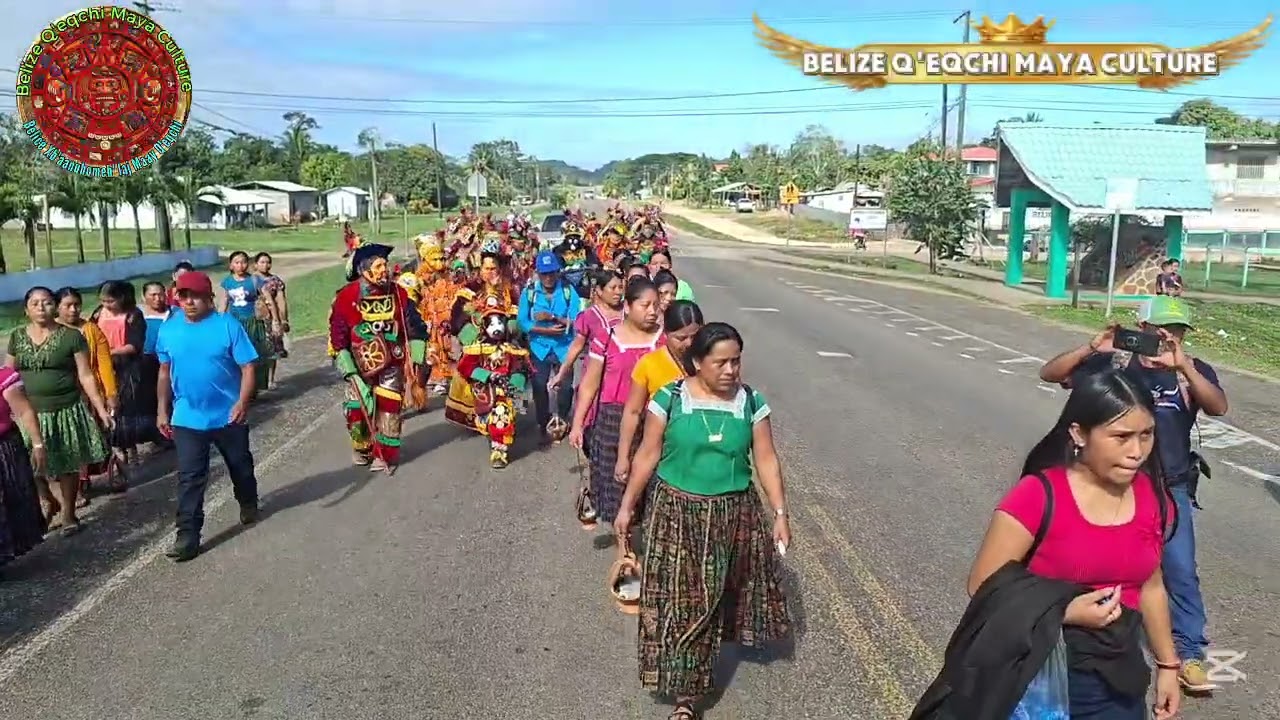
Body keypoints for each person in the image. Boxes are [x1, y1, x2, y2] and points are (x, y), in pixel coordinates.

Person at [954, 369, 1180, 719]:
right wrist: (1064, 613)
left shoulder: (1151, 497)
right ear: (1079, 434)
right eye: (1121, 437)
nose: (1137, 451)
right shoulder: (1038, 496)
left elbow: (1150, 585)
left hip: (1119, 681)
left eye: (1146, 434)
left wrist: (1168, 665)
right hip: (1040, 681)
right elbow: (983, 586)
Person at [1036, 295, 1226, 692]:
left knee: (1179, 573)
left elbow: (1218, 407)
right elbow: (1050, 374)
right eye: (1160, 330)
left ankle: (1189, 654)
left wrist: (1184, 366)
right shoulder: (1115, 365)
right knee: (1098, 562)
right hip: (1115, 484)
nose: (1168, 337)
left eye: (1176, 331)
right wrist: (1094, 346)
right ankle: (1085, 634)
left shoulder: (1189, 373)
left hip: (1169, 489)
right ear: (1140, 330)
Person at [614, 322, 790, 719]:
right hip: (674, 513)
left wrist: (780, 513)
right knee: (677, 601)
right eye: (721, 363)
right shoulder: (669, 398)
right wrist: (627, 507)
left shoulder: (751, 402)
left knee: (705, 602)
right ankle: (678, 678)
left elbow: (766, 459)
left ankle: (687, 697)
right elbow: (647, 454)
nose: (731, 371)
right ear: (697, 363)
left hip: (730, 515)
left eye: (736, 361)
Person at [156, 271, 261, 562]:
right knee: (190, 478)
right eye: (184, 296)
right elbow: (164, 372)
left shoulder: (227, 325)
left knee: (240, 465)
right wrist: (161, 410)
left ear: (209, 299)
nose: (190, 302)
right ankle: (187, 537)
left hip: (228, 415)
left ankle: (248, 500)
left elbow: (248, 367)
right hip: (188, 417)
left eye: (197, 296)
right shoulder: (169, 330)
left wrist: (242, 401)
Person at [7, 287, 113, 534]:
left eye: (46, 303)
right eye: (35, 304)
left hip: (65, 409)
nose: (41, 308)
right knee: (31, 463)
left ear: (55, 307)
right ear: (26, 310)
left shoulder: (72, 336)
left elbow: (85, 375)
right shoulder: (17, 337)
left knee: (67, 463)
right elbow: (8, 376)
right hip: (29, 412)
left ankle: (68, 514)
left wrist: (101, 407)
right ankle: (48, 500)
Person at [568, 277, 663, 538]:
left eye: (656, 305)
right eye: (646, 305)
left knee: (652, 483)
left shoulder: (664, 341)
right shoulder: (606, 338)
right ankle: (625, 548)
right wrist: (578, 424)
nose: (653, 311)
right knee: (618, 484)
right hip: (612, 420)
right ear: (628, 307)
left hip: (656, 419)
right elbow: (589, 385)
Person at [329, 241, 428, 474]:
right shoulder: (347, 296)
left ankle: (385, 453)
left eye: (385, 265)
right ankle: (362, 446)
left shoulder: (399, 293)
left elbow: (415, 326)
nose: (384, 270)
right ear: (364, 270)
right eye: (378, 265)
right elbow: (337, 331)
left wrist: (416, 357)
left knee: (389, 407)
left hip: (392, 361)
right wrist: (345, 363)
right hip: (358, 361)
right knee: (357, 408)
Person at [614, 300, 703, 487]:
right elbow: (633, 412)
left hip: (701, 453)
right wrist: (623, 457)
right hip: (660, 454)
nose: (689, 343)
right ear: (665, 334)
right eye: (681, 338)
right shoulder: (649, 364)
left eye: (695, 336)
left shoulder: (710, 363)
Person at [54, 287, 123, 496]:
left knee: (80, 442)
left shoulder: (91, 331)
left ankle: (80, 484)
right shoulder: (50, 331)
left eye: (77, 305)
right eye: (68, 306)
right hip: (58, 398)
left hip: (87, 397)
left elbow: (104, 365)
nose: (74, 310)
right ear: (57, 307)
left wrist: (111, 395)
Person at [518, 250, 580, 443]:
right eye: (544, 273)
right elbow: (522, 321)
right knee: (538, 386)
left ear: (558, 272)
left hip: (564, 347)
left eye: (552, 273)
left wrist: (553, 318)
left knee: (565, 387)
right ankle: (543, 423)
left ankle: (562, 418)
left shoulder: (569, 291)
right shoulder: (529, 293)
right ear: (537, 273)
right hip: (540, 347)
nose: (548, 277)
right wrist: (543, 330)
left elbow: (577, 319)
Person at [92, 281, 150, 468]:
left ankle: (130, 446)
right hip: (102, 367)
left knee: (124, 410)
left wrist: (108, 352)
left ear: (122, 298)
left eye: (111, 301)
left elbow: (134, 345)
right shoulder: (98, 314)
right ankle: (114, 449)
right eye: (103, 301)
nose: (107, 305)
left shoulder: (134, 315)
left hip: (126, 368)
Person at [0, 366, 47, 574]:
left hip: (4, 447)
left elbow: (25, 410)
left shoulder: (3, 377)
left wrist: (37, 444)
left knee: (12, 497)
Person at [548, 269, 624, 392]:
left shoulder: (628, 312)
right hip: (596, 375)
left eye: (620, 287)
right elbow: (576, 347)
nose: (618, 292)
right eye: (613, 288)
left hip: (623, 375)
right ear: (599, 290)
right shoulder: (588, 316)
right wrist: (560, 374)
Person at [220, 250, 279, 396]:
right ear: (231, 265)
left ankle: (254, 387)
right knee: (234, 356)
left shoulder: (255, 280)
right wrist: (219, 323)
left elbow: (269, 300)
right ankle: (238, 387)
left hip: (253, 323)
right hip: (235, 323)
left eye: (243, 262)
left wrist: (276, 320)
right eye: (237, 262)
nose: (240, 265)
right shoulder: (227, 282)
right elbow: (224, 303)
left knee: (255, 355)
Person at [140, 282, 172, 453]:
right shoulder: (139, 316)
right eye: (153, 295)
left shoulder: (174, 314)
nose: (157, 298)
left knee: (168, 396)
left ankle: (169, 433)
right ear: (144, 297)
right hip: (145, 361)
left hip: (168, 362)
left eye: (160, 294)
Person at [254, 252, 290, 387]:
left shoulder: (275, 281)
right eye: (262, 262)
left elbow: (281, 300)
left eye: (268, 262)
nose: (265, 265)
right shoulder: (250, 280)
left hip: (271, 319)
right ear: (255, 264)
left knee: (272, 349)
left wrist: (283, 319)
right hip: (255, 318)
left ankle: (270, 379)